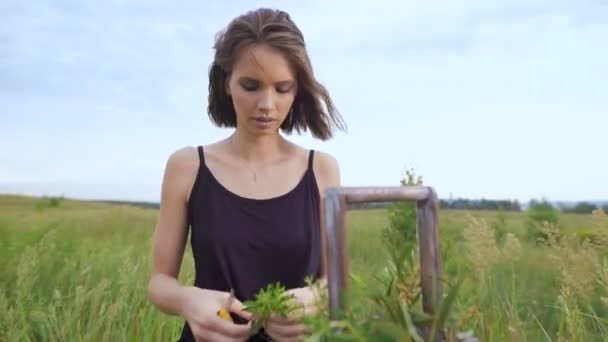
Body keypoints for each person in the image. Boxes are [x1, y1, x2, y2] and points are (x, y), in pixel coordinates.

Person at [147, 7, 347, 342]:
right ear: (226, 83)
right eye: (250, 86)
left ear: (297, 90)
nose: (266, 104)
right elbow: (159, 282)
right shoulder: (187, 166)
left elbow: (336, 279)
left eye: (282, 88)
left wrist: (314, 299)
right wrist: (188, 300)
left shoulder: (322, 170)